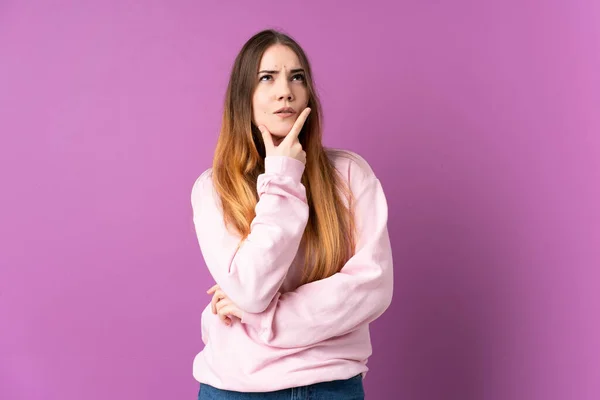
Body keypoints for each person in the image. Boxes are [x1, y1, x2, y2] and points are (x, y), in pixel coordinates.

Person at [190, 28, 394, 399]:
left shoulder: (349, 174)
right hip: (235, 390)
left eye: (296, 77)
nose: (285, 90)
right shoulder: (214, 188)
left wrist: (261, 317)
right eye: (266, 78)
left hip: (331, 388)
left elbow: (372, 289)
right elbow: (251, 290)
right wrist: (282, 179)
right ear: (244, 98)